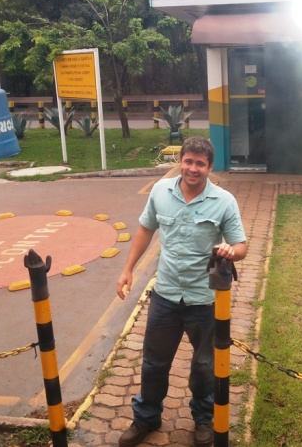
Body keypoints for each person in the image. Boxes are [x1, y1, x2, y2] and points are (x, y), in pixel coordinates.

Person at [116, 136, 248, 447]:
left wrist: (231, 251)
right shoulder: (160, 191)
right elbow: (146, 229)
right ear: (180, 162)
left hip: (204, 299)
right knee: (154, 363)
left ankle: (203, 419)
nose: (193, 168)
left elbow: (241, 245)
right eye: (188, 161)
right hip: (165, 295)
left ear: (210, 167)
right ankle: (146, 417)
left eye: (200, 163)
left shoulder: (224, 201)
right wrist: (127, 269)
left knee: (204, 366)